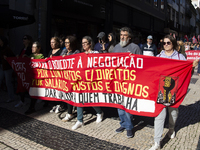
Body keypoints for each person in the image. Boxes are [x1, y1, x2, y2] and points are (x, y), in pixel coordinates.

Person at [149, 35, 198, 150]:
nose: (166, 45)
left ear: (173, 44)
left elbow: (186, 73)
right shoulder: (159, 56)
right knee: (159, 115)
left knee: (173, 113)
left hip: (174, 89)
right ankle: (157, 142)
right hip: (161, 89)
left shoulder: (180, 57)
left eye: (168, 43)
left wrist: (191, 67)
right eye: (164, 43)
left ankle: (171, 129)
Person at [112, 27, 142, 138]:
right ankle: (123, 124)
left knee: (128, 106)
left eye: (124, 35)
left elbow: (140, 65)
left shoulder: (135, 48)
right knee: (119, 106)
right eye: (121, 35)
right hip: (118, 82)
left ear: (129, 37)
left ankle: (129, 127)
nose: (122, 37)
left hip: (130, 82)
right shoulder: (116, 47)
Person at [72, 36, 103, 130]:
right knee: (79, 98)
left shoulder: (95, 53)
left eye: (85, 42)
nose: (83, 44)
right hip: (82, 80)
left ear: (90, 43)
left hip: (92, 80)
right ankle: (79, 120)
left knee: (91, 99)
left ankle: (99, 112)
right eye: (82, 43)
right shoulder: (80, 55)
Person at [60, 35, 80, 121]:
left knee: (70, 94)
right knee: (66, 94)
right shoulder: (64, 50)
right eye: (65, 42)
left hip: (72, 77)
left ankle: (70, 113)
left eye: (67, 42)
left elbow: (76, 62)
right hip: (64, 76)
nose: (66, 44)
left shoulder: (76, 51)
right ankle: (69, 111)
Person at [25, 41, 44, 115]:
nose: (32, 48)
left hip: (38, 79)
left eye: (34, 47)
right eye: (32, 47)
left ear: (38, 48)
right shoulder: (30, 56)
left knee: (34, 93)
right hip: (31, 79)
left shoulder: (41, 56)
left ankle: (31, 107)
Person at [15, 35, 33, 107]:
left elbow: (32, 57)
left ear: (29, 40)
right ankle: (22, 100)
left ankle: (33, 101)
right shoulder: (23, 49)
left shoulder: (30, 48)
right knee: (21, 84)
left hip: (28, 71)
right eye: (23, 38)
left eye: (25, 39)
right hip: (22, 71)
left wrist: (27, 57)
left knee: (29, 85)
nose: (23, 40)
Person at [0, 36, 16, 102]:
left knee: (8, 82)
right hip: (1, 66)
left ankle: (11, 97)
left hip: (7, 67)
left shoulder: (7, 49)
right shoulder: (0, 48)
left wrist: (7, 58)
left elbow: (13, 57)